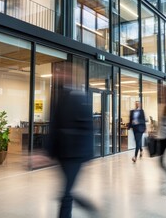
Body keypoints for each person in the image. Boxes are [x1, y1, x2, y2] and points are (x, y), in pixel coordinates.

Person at [46, 62, 96, 218]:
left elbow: (88, 128)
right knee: (67, 190)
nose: (60, 75)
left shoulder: (82, 97)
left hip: (75, 154)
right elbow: (54, 124)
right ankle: (86, 205)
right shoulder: (60, 96)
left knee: (66, 193)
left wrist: (86, 153)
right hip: (62, 153)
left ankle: (83, 208)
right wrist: (47, 151)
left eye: (64, 73)